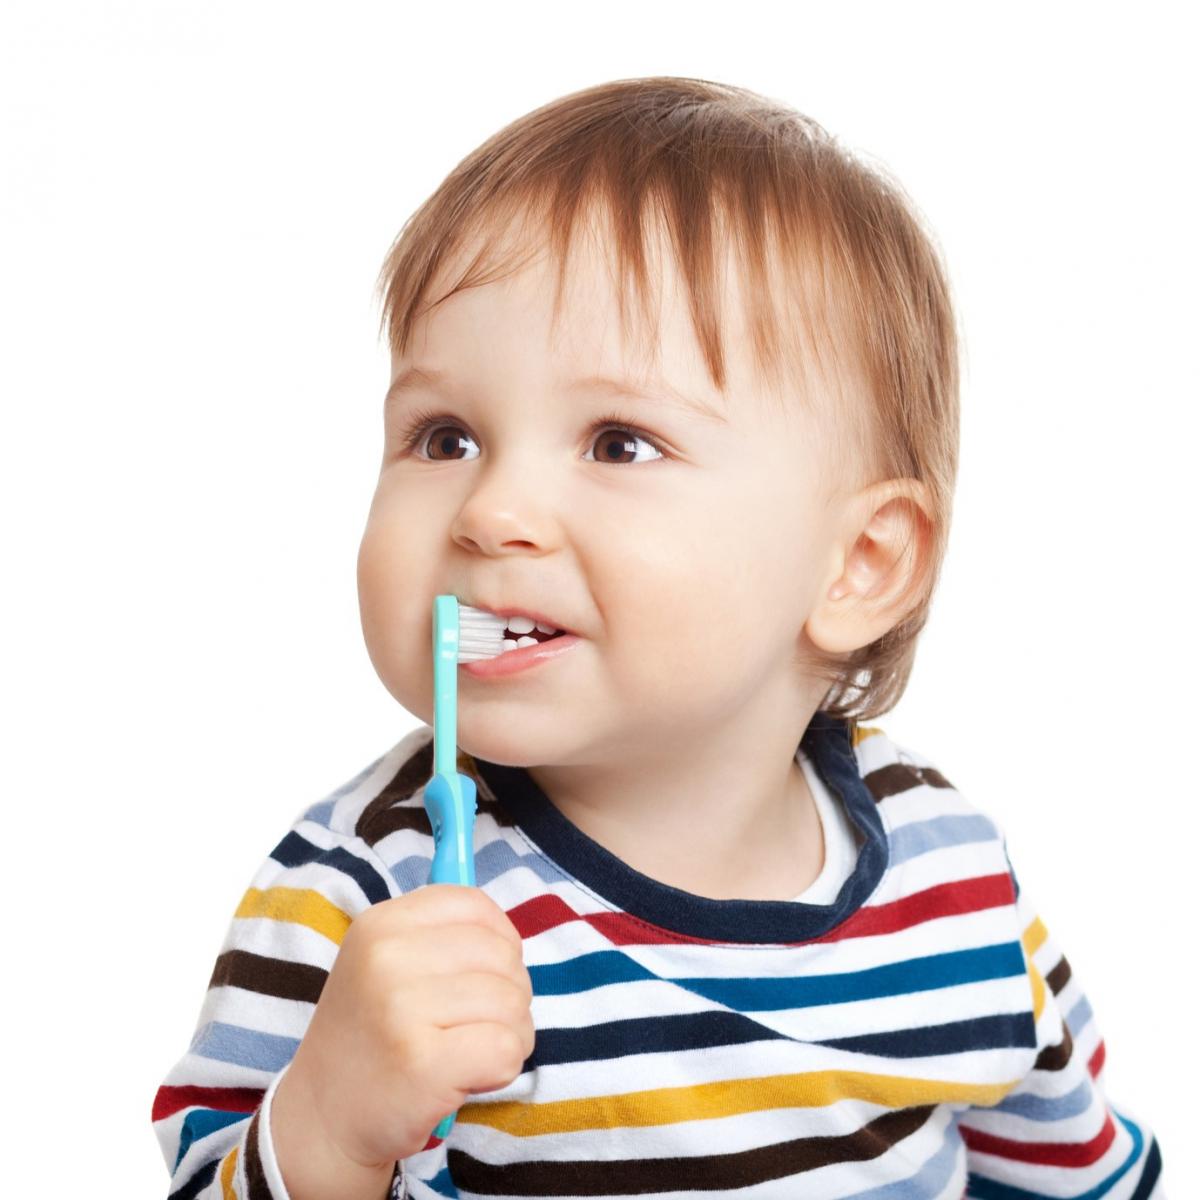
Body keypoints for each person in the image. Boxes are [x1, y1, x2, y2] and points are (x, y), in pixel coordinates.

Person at [152, 76, 1165, 1199]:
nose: (490, 512)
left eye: (620, 443)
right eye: (444, 437)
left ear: (858, 563)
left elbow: (1077, 1176)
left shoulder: (955, 878)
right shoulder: (363, 892)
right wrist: (332, 1125)